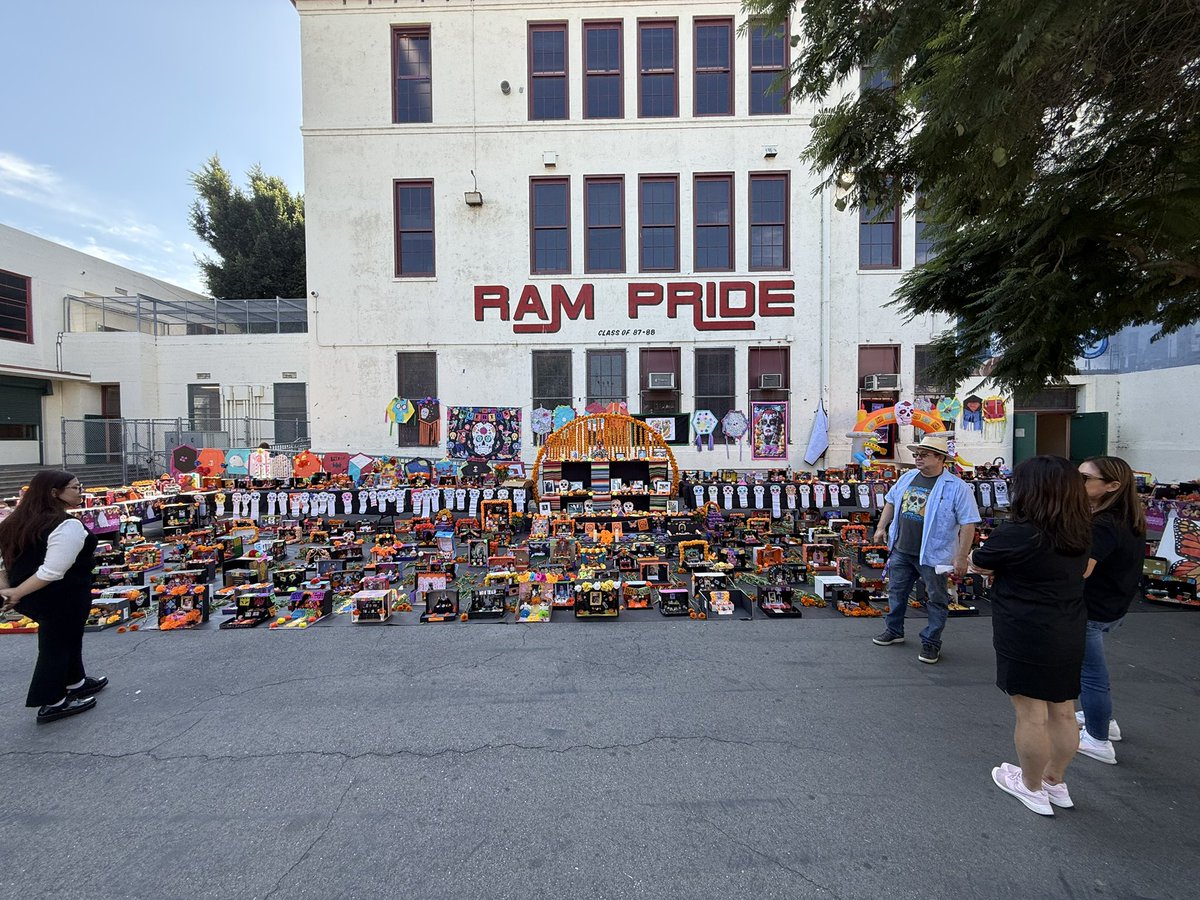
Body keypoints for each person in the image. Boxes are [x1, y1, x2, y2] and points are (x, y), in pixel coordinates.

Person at [971, 455, 1092, 816]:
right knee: (1064, 711)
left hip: (1025, 628)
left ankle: (1031, 785)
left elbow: (981, 559)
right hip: (1068, 626)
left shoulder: (1019, 532)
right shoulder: (1081, 529)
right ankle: (1055, 781)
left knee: (1031, 715)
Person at [0, 470, 107, 724]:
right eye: (74, 487)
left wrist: (9, 589)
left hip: (34, 595)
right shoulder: (66, 525)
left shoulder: (14, 522)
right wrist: (14, 593)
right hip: (61, 594)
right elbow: (52, 571)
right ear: (54, 493)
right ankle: (52, 701)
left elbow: (2, 563)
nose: (80, 492)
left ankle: (75, 681)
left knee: (69, 637)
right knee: (55, 645)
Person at [871, 432, 981, 664]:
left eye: (923, 455)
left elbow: (968, 522)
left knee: (937, 598)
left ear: (940, 458)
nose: (918, 458)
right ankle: (894, 630)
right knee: (896, 592)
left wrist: (961, 556)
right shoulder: (908, 477)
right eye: (916, 454)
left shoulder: (958, 487)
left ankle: (931, 642)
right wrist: (881, 527)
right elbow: (891, 501)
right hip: (902, 548)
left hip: (934, 554)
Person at [1075, 455, 1146, 765]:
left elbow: (1081, 570)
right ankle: (1100, 719)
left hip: (1094, 608)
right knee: (1090, 672)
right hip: (1112, 605)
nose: (1076, 483)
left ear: (1112, 486)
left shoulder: (1103, 523)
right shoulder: (1127, 516)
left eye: (1085, 478)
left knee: (1091, 675)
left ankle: (1097, 736)